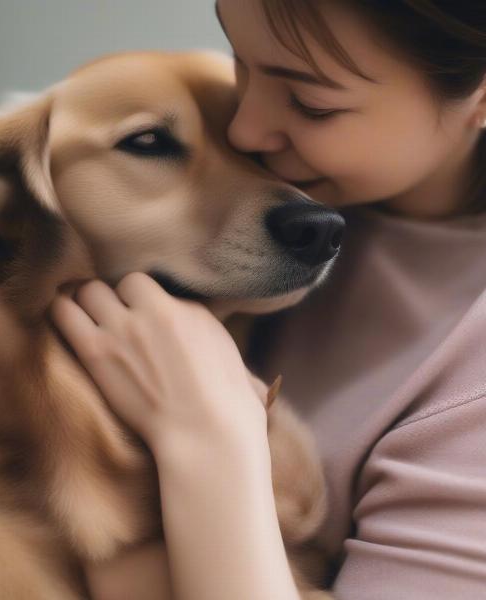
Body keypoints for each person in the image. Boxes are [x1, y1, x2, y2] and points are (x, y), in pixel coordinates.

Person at [51, 1, 486, 598]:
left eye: (313, 104)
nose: (244, 129)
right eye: (243, 62)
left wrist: (209, 435)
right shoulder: (267, 188)